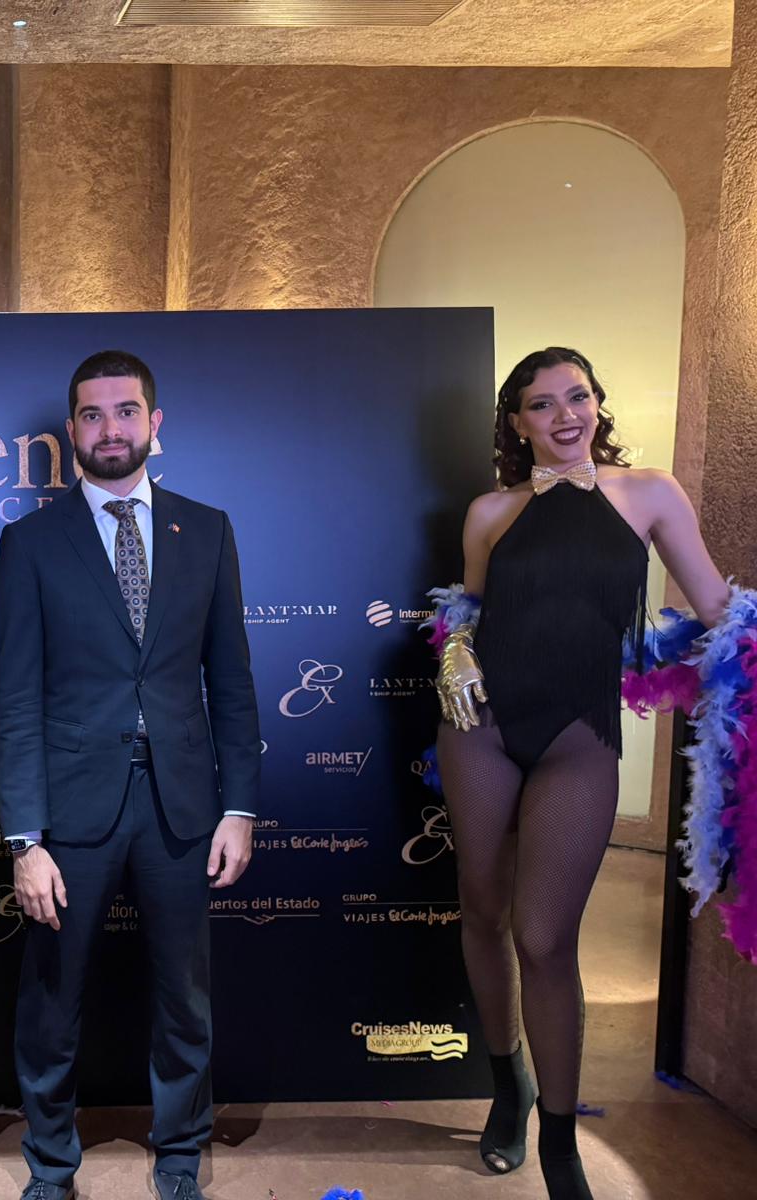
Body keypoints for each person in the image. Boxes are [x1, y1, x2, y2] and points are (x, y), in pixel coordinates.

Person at [434, 347, 730, 1200]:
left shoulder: (651, 493)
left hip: (580, 735)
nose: (565, 415)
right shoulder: (490, 510)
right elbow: (469, 612)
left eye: (578, 396)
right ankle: (508, 1087)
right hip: (480, 729)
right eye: (542, 403)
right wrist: (453, 649)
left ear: (598, 403)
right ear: (517, 422)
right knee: (481, 911)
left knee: (544, 937)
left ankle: (559, 1143)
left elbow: (717, 608)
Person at [0, 350, 261, 1200]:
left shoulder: (207, 530)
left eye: (126, 411)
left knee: (185, 996)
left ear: (155, 422)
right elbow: (15, 696)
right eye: (92, 414)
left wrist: (240, 807)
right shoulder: (31, 542)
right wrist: (24, 837)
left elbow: (233, 680)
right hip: (70, 809)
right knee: (52, 1001)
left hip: (183, 805)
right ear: (72, 429)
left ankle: (179, 1153)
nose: (110, 429)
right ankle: (51, 1167)